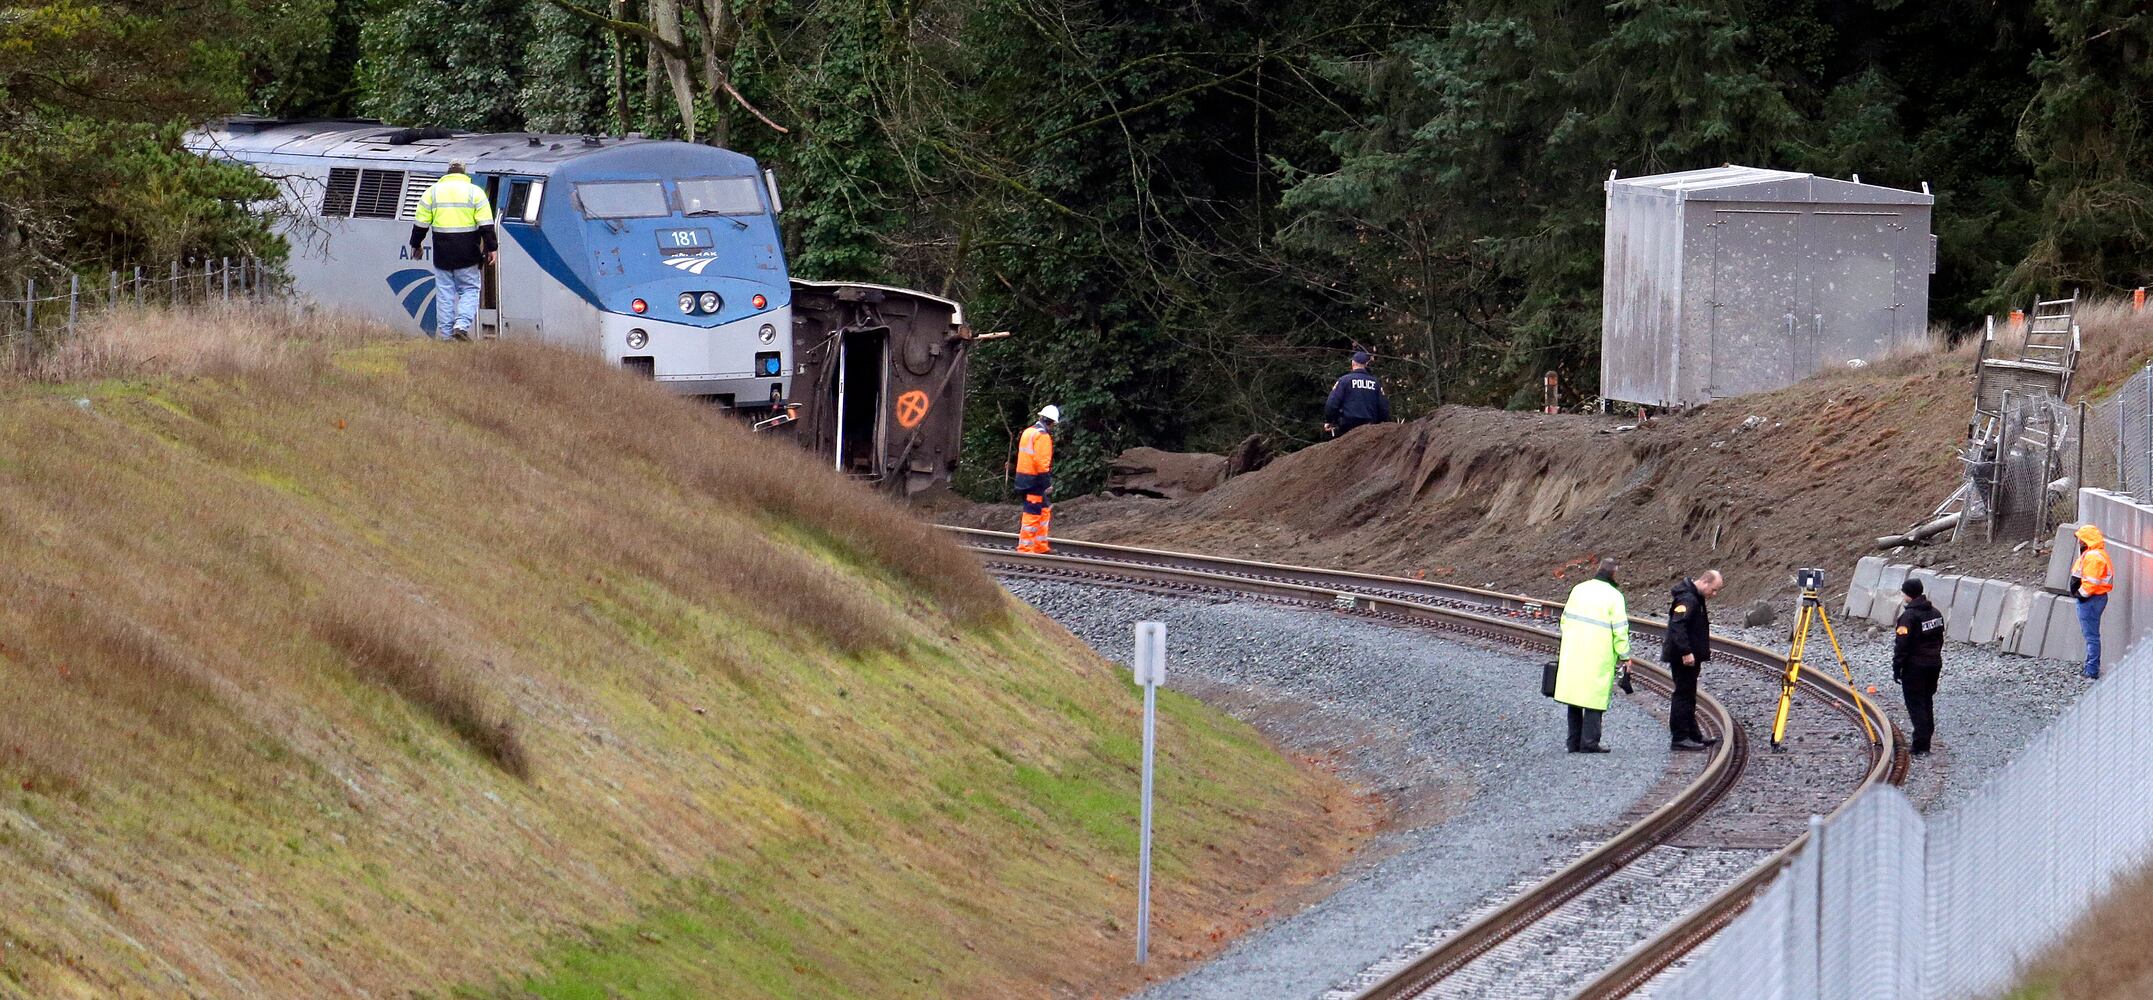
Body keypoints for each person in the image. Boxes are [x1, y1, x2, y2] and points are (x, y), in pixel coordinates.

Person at [407, 161, 498, 341]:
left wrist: (415, 245)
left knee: (445, 294)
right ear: (464, 173)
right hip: (468, 253)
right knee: (470, 289)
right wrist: (491, 248)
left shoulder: (431, 193)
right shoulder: (475, 193)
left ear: (447, 173)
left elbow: (420, 224)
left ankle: (447, 336)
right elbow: (486, 224)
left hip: (442, 253)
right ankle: (461, 326)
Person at [1556, 558, 1635, 753]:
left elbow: (1564, 621)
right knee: (1594, 698)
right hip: (1599, 654)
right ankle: (1589, 742)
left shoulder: (1579, 589)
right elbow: (1620, 630)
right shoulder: (1614, 597)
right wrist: (1625, 656)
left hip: (1574, 650)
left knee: (1574, 696)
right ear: (1614, 574)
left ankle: (1573, 742)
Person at [1662, 569, 1724, 752]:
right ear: (1704, 582)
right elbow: (1677, 626)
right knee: (1683, 694)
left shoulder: (1695, 597)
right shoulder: (1688, 599)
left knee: (1689, 694)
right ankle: (1680, 737)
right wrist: (1686, 652)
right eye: (1713, 590)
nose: (1714, 594)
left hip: (1690, 656)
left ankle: (1693, 734)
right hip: (1683, 657)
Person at [1892, 577, 1946, 756]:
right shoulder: (1936, 613)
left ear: (1907, 594)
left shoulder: (1907, 617)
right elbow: (1940, 639)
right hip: (1934, 664)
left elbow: (1902, 644)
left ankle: (1920, 745)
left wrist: (1897, 667)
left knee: (1915, 704)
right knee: (1926, 701)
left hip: (1915, 667)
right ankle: (1926, 740)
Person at [1013, 405, 1059, 554]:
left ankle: (1040, 545)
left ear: (1041, 417)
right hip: (1035, 480)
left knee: (1044, 510)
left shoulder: (1029, 432)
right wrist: (1047, 484)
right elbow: (1041, 463)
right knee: (1032, 513)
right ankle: (1025, 548)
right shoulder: (1043, 436)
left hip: (1024, 478)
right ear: (1052, 422)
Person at [2070, 523, 2113, 679]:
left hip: (2091, 599)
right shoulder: (2095, 554)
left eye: (2081, 538)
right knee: (2091, 635)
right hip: (2096, 598)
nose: (2079, 541)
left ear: (2086, 539)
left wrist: (2080, 594)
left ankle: (2091, 670)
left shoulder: (2093, 556)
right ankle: (2090, 667)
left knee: (2091, 636)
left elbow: (2091, 583)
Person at [1322, 350, 1392, 438]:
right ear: (1366, 364)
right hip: (1370, 426)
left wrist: (1329, 421)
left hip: (1347, 426)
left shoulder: (1344, 381)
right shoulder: (1375, 383)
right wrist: (1382, 424)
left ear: (1352, 363)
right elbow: (1383, 407)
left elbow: (1332, 404)